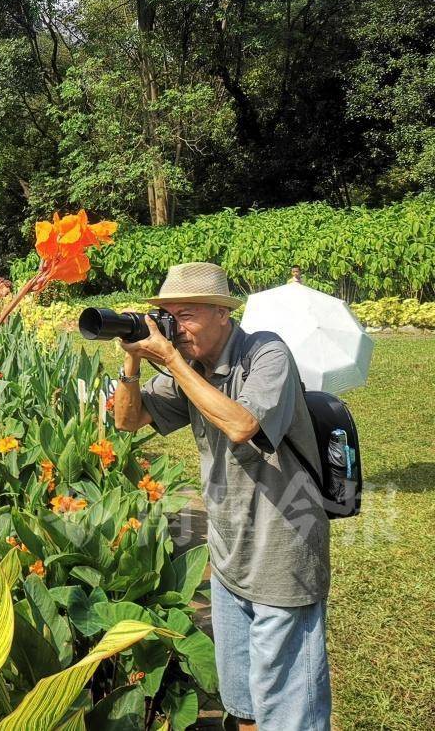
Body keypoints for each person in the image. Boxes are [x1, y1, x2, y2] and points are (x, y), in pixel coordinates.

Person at [112, 262, 330, 731]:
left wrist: (170, 359)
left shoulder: (266, 351)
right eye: (167, 316)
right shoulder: (190, 368)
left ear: (222, 315)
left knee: (288, 708)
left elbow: (241, 425)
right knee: (244, 703)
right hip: (229, 555)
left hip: (283, 547)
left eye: (186, 315)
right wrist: (131, 359)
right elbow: (128, 422)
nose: (174, 327)